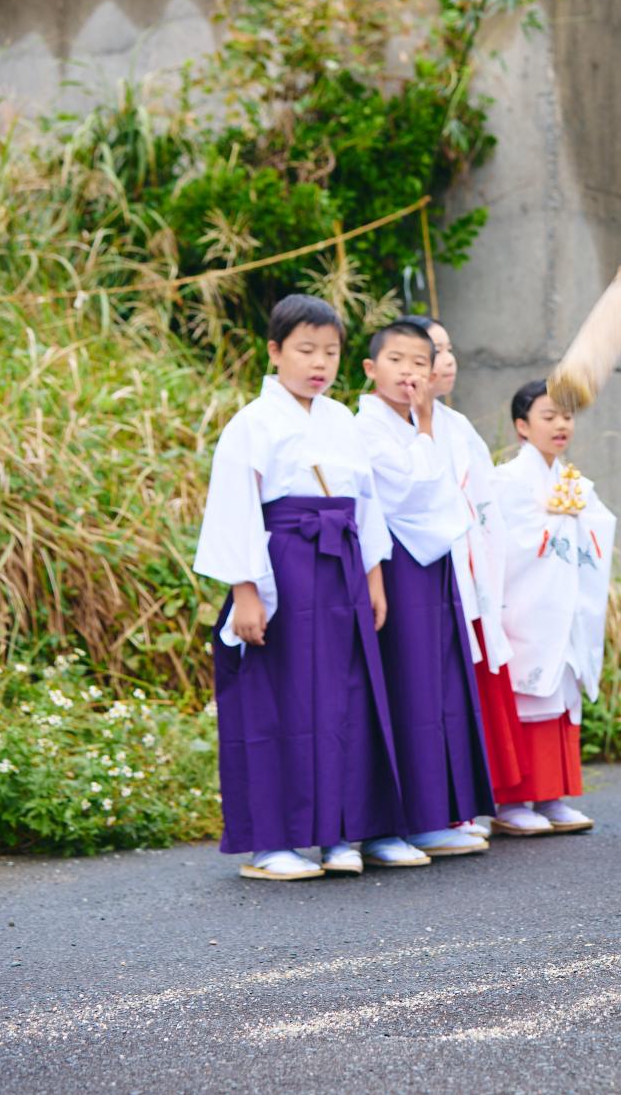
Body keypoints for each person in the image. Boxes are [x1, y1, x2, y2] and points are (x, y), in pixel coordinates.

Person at [194, 293, 414, 881]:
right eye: (305, 350)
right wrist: (244, 591)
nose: (320, 363)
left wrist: (374, 577)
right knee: (279, 700)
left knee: (347, 699)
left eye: (331, 352)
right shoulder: (254, 423)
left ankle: (343, 832)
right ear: (274, 351)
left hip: (342, 566)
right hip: (283, 566)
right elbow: (235, 507)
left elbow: (365, 506)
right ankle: (273, 842)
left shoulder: (340, 420)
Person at [354, 320, 494, 858]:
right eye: (397, 360)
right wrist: (427, 424)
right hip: (390, 564)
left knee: (438, 687)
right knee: (402, 687)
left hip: (433, 563)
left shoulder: (419, 423)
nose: (410, 372)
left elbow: (444, 490)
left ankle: (436, 813)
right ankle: (393, 822)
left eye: (420, 362)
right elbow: (412, 488)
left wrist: (426, 423)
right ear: (371, 368)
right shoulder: (364, 426)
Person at [490, 378, 615, 834]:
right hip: (522, 606)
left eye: (566, 416)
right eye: (548, 416)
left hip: (563, 604)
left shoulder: (574, 483)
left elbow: (599, 526)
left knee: (560, 696)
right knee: (524, 696)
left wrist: (571, 522)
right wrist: (559, 525)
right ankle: (512, 800)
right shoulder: (505, 480)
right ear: (522, 426)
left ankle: (551, 795)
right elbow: (507, 539)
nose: (561, 425)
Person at [418, 317, 517, 840]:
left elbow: (487, 509)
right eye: (435, 350)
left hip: (472, 575)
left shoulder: (459, 428)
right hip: (431, 576)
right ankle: (438, 811)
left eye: (450, 347)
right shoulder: (398, 426)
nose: (448, 359)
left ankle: (464, 806)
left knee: (463, 700)